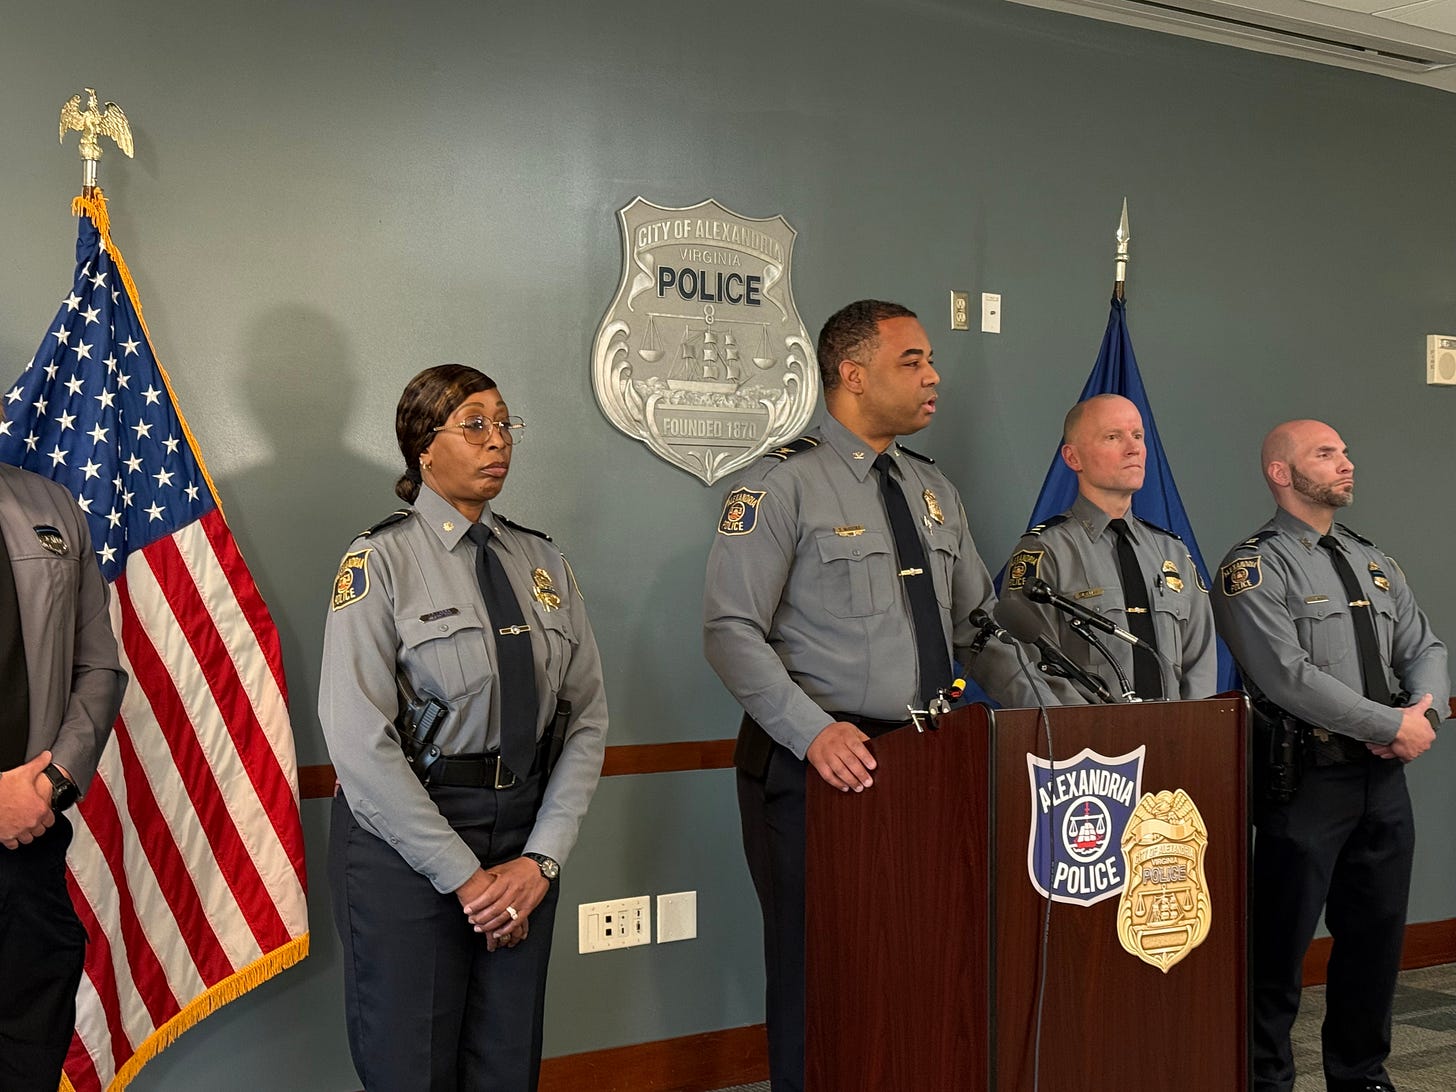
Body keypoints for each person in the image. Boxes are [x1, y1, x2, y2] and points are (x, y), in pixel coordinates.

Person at [702, 299, 1060, 1092]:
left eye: (931, 360)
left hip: (929, 764)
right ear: (853, 374)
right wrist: (813, 732)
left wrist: (1053, 721)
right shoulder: (780, 485)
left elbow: (977, 629)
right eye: (912, 361)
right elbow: (730, 632)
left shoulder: (933, 489)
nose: (934, 377)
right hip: (821, 765)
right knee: (821, 977)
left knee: (921, 966)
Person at [320, 365, 608, 1092]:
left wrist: (541, 860)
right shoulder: (380, 560)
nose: (497, 440)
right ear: (423, 447)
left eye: (505, 424)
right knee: (412, 1068)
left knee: (507, 1064)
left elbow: (585, 718)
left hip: (521, 838)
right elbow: (358, 741)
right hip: (405, 843)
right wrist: (466, 879)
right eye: (474, 424)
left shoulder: (542, 561)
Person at [1212, 419, 1445, 1092]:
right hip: (1306, 782)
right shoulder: (1253, 567)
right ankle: (1265, 1080)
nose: (1346, 463)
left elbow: (1425, 647)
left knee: (1375, 940)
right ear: (1281, 473)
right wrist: (1390, 723)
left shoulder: (1373, 560)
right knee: (1278, 948)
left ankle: (1361, 1075)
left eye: (1344, 451)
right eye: (1325, 454)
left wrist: (1422, 715)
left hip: (1382, 779)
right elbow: (1288, 677)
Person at [0, 461, 126, 1091]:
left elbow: (97, 666)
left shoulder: (51, 506)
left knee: (27, 1061)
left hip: (30, 856)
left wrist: (53, 782)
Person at [997, 393, 1217, 701]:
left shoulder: (1173, 552)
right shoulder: (1046, 551)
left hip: (1178, 727)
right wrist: (1097, 726)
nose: (1133, 448)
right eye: (1113, 437)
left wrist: (1193, 724)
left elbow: (1200, 663)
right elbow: (1035, 666)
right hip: (1087, 730)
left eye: (1137, 435)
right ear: (1073, 458)